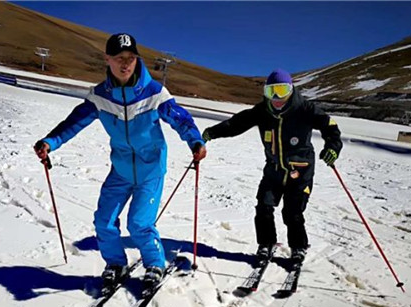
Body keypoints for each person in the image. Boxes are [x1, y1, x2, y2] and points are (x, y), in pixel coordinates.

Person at [34, 33, 206, 288]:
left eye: (130, 58)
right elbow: (73, 123)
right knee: (103, 220)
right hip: (121, 169)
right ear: (107, 59)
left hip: (150, 170)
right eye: (119, 58)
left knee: (139, 223)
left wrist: (195, 141)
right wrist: (51, 142)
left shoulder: (154, 93)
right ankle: (115, 262)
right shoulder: (100, 96)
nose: (125, 64)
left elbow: (180, 119)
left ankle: (155, 264)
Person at [202, 69, 342, 265]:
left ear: (291, 90)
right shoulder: (262, 111)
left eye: (282, 91)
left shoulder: (305, 109)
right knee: (264, 207)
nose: (276, 97)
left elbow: (331, 127)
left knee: (292, 212)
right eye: (271, 92)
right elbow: (236, 124)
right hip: (274, 171)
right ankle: (266, 244)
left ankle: (298, 247)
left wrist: (333, 147)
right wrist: (211, 133)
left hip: (300, 171)